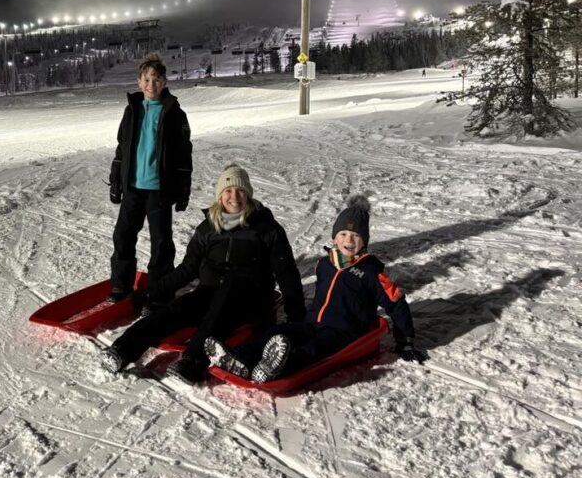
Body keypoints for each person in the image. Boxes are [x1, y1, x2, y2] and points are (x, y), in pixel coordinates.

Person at [101, 163, 306, 383]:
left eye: (240, 191)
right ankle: (122, 350)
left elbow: (286, 273)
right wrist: (150, 292)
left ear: (248, 194)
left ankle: (192, 361)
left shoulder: (267, 229)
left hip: (249, 300)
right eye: (228, 191)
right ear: (220, 195)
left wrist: (296, 315)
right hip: (209, 293)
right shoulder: (208, 228)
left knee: (225, 298)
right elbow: (188, 269)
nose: (234, 197)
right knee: (174, 310)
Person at [204, 195, 427, 384]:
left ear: (365, 241)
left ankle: (277, 368)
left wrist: (405, 340)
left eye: (356, 236)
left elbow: (396, 303)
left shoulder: (371, 272)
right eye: (343, 234)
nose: (348, 240)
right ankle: (239, 358)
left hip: (342, 332)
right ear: (334, 237)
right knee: (278, 333)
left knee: (314, 349)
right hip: (312, 322)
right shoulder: (325, 264)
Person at [107, 53, 192, 302]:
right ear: (139, 82)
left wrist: (183, 188)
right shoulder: (131, 110)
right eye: (146, 79)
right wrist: (116, 180)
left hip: (159, 189)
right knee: (122, 236)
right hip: (133, 187)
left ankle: (159, 290)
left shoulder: (174, 113)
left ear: (164, 82)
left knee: (161, 243)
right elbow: (122, 147)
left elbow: (184, 154)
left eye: (156, 79)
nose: (151, 84)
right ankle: (121, 286)